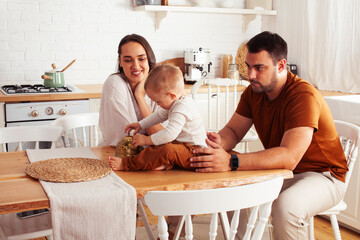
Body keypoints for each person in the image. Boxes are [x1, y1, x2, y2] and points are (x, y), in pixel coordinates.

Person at [190, 31, 348, 239]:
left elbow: (289, 157)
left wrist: (232, 161)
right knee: (228, 186)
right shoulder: (254, 91)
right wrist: (220, 142)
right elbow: (234, 130)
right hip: (281, 172)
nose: (251, 75)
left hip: (323, 176)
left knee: (287, 206)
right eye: (248, 66)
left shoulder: (302, 96)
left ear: (281, 65)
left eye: (259, 68)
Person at [108, 64, 207, 171]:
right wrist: (140, 124)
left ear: (172, 95)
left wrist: (147, 140)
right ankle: (165, 163)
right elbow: (158, 115)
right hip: (182, 146)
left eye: (158, 101)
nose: (157, 104)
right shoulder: (175, 102)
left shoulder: (182, 107)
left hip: (195, 153)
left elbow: (170, 134)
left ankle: (127, 164)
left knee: (166, 149)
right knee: (158, 145)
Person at [99, 34, 163, 147]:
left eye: (141, 59)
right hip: (117, 157)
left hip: (152, 157)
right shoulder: (114, 84)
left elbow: (164, 136)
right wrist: (140, 96)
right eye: (128, 60)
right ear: (120, 62)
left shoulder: (159, 86)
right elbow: (127, 140)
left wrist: (139, 96)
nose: (136, 66)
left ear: (149, 59)